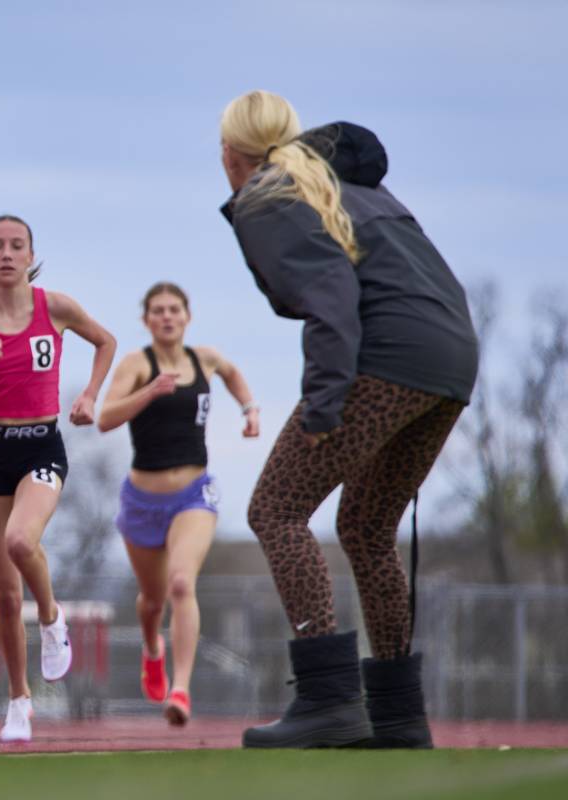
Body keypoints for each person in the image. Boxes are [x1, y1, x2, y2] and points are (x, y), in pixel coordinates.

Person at [219, 90, 478, 748]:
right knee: (365, 528)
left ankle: (328, 701)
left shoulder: (270, 196)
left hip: (385, 360)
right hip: (449, 361)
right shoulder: (347, 189)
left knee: (275, 509)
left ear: (230, 153)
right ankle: (397, 715)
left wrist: (324, 403)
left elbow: (331, 295)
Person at [0, 215, 116, 742]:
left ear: (30, 254)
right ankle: (19, 700)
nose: (8, 254)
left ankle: (53, 616)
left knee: (21, 540)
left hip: (41, 444)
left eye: (17, 246)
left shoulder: (53, 306)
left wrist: (88, 397)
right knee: (4, 595)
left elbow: (105, 341)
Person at [97, 282, 259, 726]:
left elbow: (230, 371)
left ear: (187, 316)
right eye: (158, 311)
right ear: (146, 320)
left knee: (182, 585)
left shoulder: (202, 358)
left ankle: (181, 689)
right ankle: (153, 648)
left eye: (174, 310)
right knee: (151, 600)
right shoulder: (136, 364)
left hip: (193, 493)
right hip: (143, 499)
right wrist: (149, 392)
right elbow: (105, 419)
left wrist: (250, 409)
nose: (167, 317)